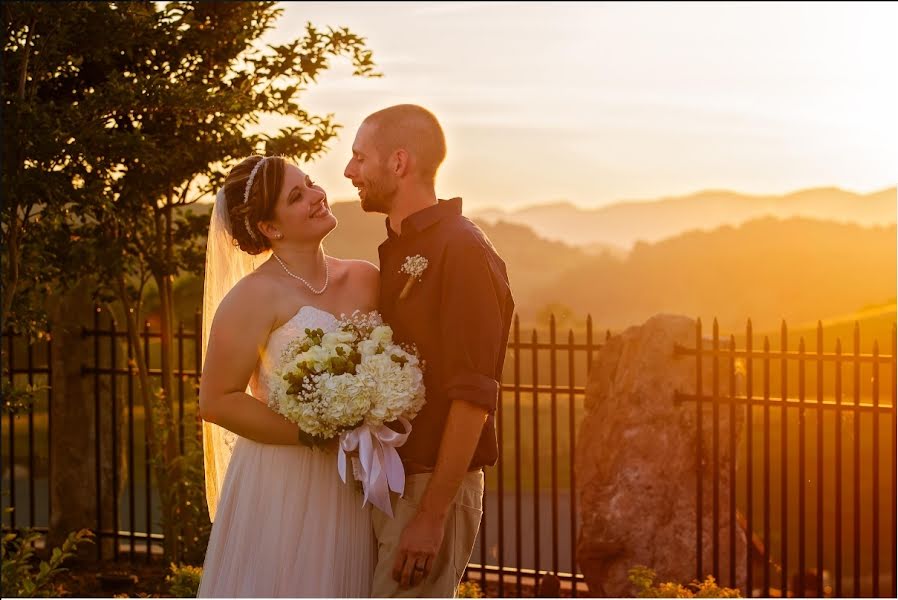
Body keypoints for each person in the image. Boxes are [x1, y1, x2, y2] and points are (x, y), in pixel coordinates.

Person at [344, 104, 515, 597]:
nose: (350, 171)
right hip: (387, 480)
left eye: (360, 157)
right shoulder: (397, 246)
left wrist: (432, 515)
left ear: (399, 163)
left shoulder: (461, 250)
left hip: (429, 487)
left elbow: (474, 395)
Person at [196, 155, 379, 597]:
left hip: (363, 474)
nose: (318, 195)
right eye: (297, 196)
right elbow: (217, 399)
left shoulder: (366, 278)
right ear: (270, 229)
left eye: (311, 184)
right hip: (284, 478)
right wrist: (314, 434)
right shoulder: (252, 297)